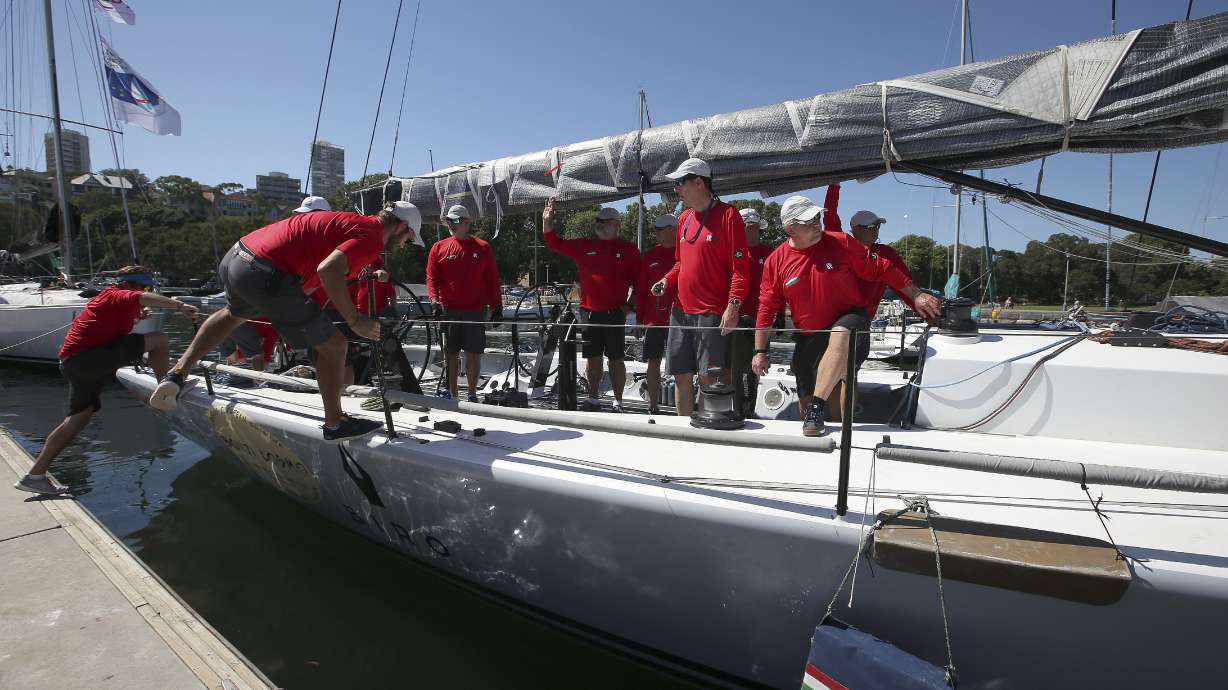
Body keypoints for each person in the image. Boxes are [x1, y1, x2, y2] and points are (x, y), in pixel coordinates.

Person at [149, 203, 422, 440]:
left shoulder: (349, 222)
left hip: (237, 256)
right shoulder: (372, 237)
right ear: (401, 227)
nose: (403, 246)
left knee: (234, 315)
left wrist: (292, 316)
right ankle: (336, 424)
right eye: (408, 240)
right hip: (265, 271)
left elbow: (311, 281)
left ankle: (177, 374)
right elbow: (329, 270)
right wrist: (354, 319)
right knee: (336, 346)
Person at [752, 196, 941, 436]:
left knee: (842, 345)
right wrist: (760, 352)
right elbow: (766, 307)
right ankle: (814, 424)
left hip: (851, 317)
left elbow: (883, 268)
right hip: (809, 333)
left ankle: (834, 425)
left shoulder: (842, 242)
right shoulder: (775, 262)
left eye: (818, 217)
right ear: (790, 228)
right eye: (809, 221)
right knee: (805, 393)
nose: (817, 224)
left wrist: (917, 295)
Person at [14, 266, 198, 494]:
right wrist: (179, 306)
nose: (145, 290)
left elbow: (112, 325)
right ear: (127, 284)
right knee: (159, 339)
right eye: (142, 286)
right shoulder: (116, 294)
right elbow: (140, 297)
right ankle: (169, 387)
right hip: (86, 359)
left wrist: (138, 317)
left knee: (76, 420)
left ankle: (35, 476)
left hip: (74, 363)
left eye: (147, 287)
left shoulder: (112, 301)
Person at [650, 158, 750, 416]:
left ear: (698, 182)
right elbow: (680, 263)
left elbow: (741, 270)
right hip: (680, 312)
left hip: (711, 313)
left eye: (680, 183)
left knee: (709, 378)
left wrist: (733, 306)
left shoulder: (729, 215)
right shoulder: (683, 218)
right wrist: (666, 280)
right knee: (681, 375)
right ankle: (685, 432)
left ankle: (710, 430)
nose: (676, 189)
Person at [542, 200, 641, 411]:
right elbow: (554, 243)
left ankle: (618, 401)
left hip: (615, 313)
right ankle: (593, 399)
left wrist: (628, 306)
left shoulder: (629, 249)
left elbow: (640, 282)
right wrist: (547, 221)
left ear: (616, 224)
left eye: (607, 222)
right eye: (600, 222)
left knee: (616, 358)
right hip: (589, 312)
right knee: (593, 358)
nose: (602, 225)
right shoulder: (584, 246)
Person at [426, 204, 502, 401]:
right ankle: (453, 395)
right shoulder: (438, 247)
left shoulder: (483, 247)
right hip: (449, 310)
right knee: (450, 353)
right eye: (449, 221)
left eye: (456, 220)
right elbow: (432, 278)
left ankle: (472, 394)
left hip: (475, 310)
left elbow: (492, 280)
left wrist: (497, 306)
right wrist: (434, 301)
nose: (451, 224)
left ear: (467, 222)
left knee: (473, 353)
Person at [731, 207, 777, 417]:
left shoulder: (770, 253)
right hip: (738, 318)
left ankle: (749, 409)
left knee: (757, 365)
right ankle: (737, 408)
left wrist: (779, 314)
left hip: (762, 320)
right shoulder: (731, 252)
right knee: (737, 367)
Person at [635, 213, 678, 414]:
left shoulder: (684, 252)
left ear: (672, 230)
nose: (656, 234)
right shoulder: (650, 256)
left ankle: (683, 408)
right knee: (653, 361)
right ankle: (653, 405)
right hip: (654, 320)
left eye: (659, 230)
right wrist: (639, 320)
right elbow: (641, 290)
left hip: (680, 318)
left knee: (682, 364)